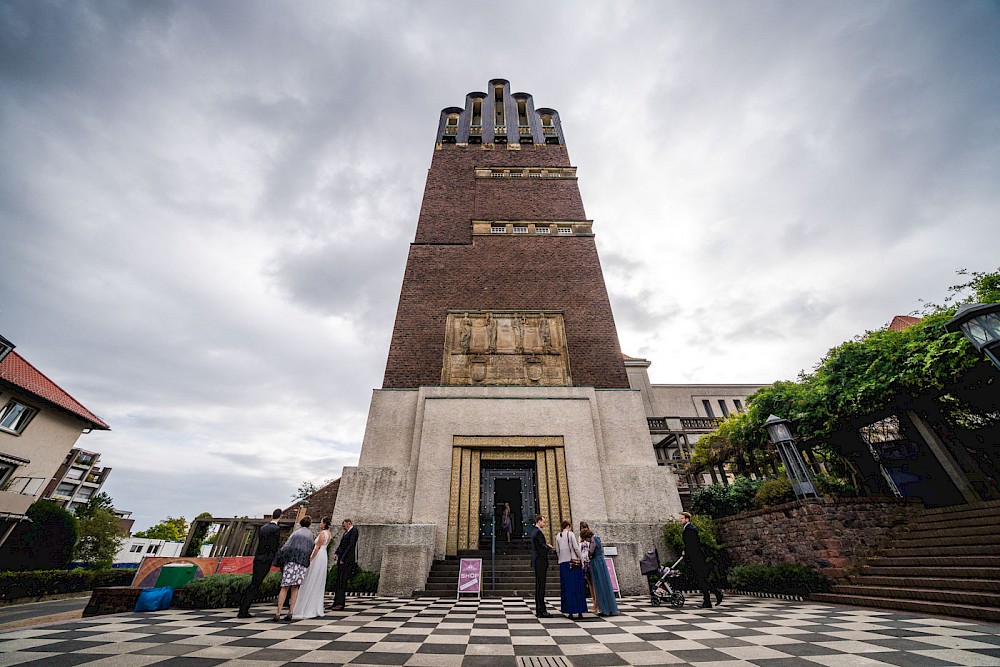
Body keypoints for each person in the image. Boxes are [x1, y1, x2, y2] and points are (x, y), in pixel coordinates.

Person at [238, 508, 282, 618]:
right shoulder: (276, 529)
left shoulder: (264, 528)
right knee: (255, 584)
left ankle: (243, 607)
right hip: (266, 559)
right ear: (280, 516)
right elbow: (274, 545)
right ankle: (244, 609)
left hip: (258, 557)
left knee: (254, 582)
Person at [273, 515, 315, 622]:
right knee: (295, 587)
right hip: (301, 563)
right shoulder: (310, 535)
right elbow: (310, 549)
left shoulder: (296, 533)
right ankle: (291, 611)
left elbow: (286, 546)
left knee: (285, 586)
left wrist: (281, 558)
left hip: (291, 561)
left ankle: (278, 612)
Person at [291, 516, 332, 620]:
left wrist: (311, 557)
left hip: (318, 556)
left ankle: (307, 606)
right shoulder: (329, 533)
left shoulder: (323, 534)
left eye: (321, 522)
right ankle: (314, 605)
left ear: (324, 523)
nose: (320, 524)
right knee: (317, 579)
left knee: (311, 578)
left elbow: (318, 547)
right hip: (324, 555)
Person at [680, 511, 723, 609]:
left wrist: (686, 552)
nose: (680, 520)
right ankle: (709, 599)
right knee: (700, 579)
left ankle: (714, 594)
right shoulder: (688, 529)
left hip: (696, 557)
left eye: (682, 518)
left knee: (701, 579)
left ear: (687, 519)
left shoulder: (690, 529)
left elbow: (692, 544)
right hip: (695, 557)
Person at [555, 520, 587, 619]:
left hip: (563, 564)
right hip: (572, 563)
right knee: (576, 586)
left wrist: (561, 558)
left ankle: (569, 610)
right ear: (569, 526)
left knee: (567, 587)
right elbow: (576, 548)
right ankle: (579, 610)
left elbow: (557, 550)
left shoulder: (558, 536)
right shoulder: (571, 534)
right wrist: (581, 560)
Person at [583, 527, 619, 616]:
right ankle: (609, 608)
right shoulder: (597, 538)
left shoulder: (593, 540)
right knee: (605, 584)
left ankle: (604, 609)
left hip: (596, 563)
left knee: (599, 585)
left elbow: (591, 551)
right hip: (601, 561)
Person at [529, 514, 555, 618]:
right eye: (543, 522)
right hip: (540, 562)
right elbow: (541, 548)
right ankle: (541, 610)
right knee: (541, 586)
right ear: (539, 521)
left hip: (537, 561)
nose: (544, 524)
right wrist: (548, 547)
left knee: (539, 585)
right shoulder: (538, 532)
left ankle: (540, 608)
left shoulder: (534, 532)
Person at [331, 519, 358, 611]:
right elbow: (342, 545)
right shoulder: (346, 533)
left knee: (342, 581)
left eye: (344, 526)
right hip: (341, 559)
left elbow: (351, 546)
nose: (343, 528)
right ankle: (336, 601)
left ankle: (340, 603)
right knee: (338, 580)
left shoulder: (354, 531)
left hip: (347, 560)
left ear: (349, 524)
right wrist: (336, 553)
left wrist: (343, 558)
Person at [579, 521, 597, 613]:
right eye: (582, 528)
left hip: (589, 562)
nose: (584, 529)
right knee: (590, 583)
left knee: (593, 584)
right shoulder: (583, 540)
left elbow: (591, 551)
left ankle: (596, 603)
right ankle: (595, 602)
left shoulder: (591, 538)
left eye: (585, 527)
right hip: (584, 563)